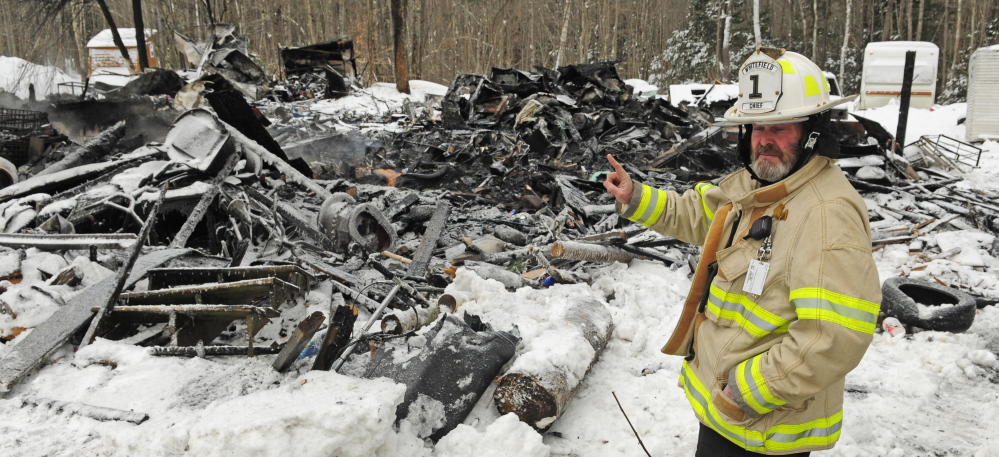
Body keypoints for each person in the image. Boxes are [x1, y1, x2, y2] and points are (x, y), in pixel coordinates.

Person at [604, 48, 882, 456]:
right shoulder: (763, 186)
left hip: (763, 427)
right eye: (756, 126)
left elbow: (834, 336)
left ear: (814, 132)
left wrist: (745, 391)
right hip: (730, 417)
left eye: (782, 127)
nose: (765, 141)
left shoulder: (825, 214)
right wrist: (635, 198)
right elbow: (701, 215)